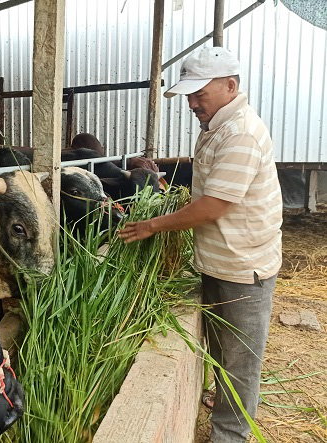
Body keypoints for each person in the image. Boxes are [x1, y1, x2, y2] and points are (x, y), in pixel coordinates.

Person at [118, 47, 282, 443]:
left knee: (241, 362)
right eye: (189, 95)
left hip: (244, 266)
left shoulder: (240, 132)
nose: (192, 103)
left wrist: (153, 224)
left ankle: (230, 435)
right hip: (218, 259)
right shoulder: (217, 126)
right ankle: (223, 403)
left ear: (230, 86)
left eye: (199, 94)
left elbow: (214, 206)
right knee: (222, 349)